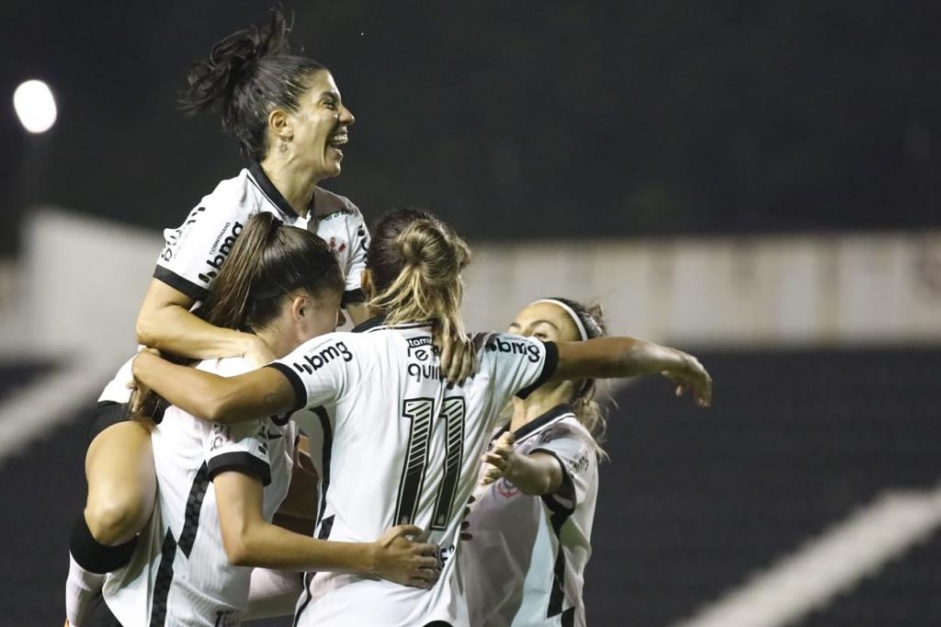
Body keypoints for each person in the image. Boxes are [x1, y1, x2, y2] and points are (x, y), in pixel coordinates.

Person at [130, 207, 712, 627]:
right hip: (437, 613)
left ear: (366, 283)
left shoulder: (341, 355)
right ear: (451, 286)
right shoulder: (489, 357)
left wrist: (145, 365)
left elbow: (220, 401)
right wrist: (673, 359)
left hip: (346, 611)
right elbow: (605, 354)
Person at [66, 9, 372, 626]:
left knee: (353, 536)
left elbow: (362, 344)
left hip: (252, 418)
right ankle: (78, 601)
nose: (347, 117)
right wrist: (249, 351)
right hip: (158, 403)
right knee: (117, 511)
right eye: (330, 104)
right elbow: (154, 324)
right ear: (281, 125)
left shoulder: (346, 223)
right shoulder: (227, 209)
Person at [85, 213, 440, 627]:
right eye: (334, 314)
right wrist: (373, 559)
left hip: (173, 616)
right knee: (113, 513)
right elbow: (245, 540)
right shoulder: (241, 381)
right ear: (301, 310)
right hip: (151, 620)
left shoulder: (266, 388)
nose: (341, 327)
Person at [459, 297, 612, 627]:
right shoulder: (480, 441)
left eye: (541, 336)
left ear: (576, 365)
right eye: (516, 333)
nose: (521, 344)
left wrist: (515, 466)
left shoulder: (569, 439)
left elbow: (543, 475)